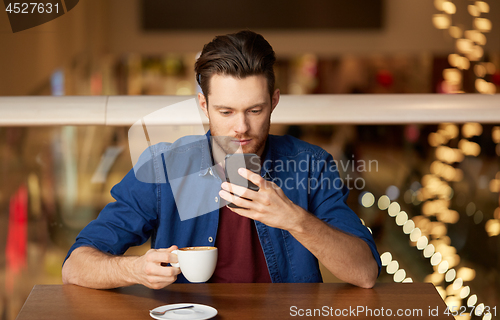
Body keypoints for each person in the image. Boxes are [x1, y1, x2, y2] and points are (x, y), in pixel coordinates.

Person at [62, 30, 381, 289]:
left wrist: (295, 220)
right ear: (203, 105)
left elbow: (365, 273)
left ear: (274, 101)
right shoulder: (164, 167)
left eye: (255, 110)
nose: (241, 127)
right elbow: (75, 267)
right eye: (225, 112)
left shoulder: (310, 165)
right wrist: (133, 270)